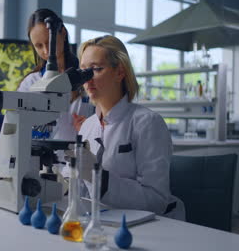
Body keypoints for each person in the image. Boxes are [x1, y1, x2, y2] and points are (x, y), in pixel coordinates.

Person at [77, 35, 185, 220]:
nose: (87, 79)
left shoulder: (148, 123)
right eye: (83, 71)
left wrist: (99, 179)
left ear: (120, 72)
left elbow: (156, 200)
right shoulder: (87, 126)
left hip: (149, 228)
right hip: (100, 220)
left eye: (96, 69)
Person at [18, 8, 94, 140]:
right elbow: (20, 129)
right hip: (41, 158)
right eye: (39, 46)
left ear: (63, 33)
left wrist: (91, 126)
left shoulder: (87, 77)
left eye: (48, 42)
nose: (46, 51)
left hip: (82, 156)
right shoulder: (30, 83)